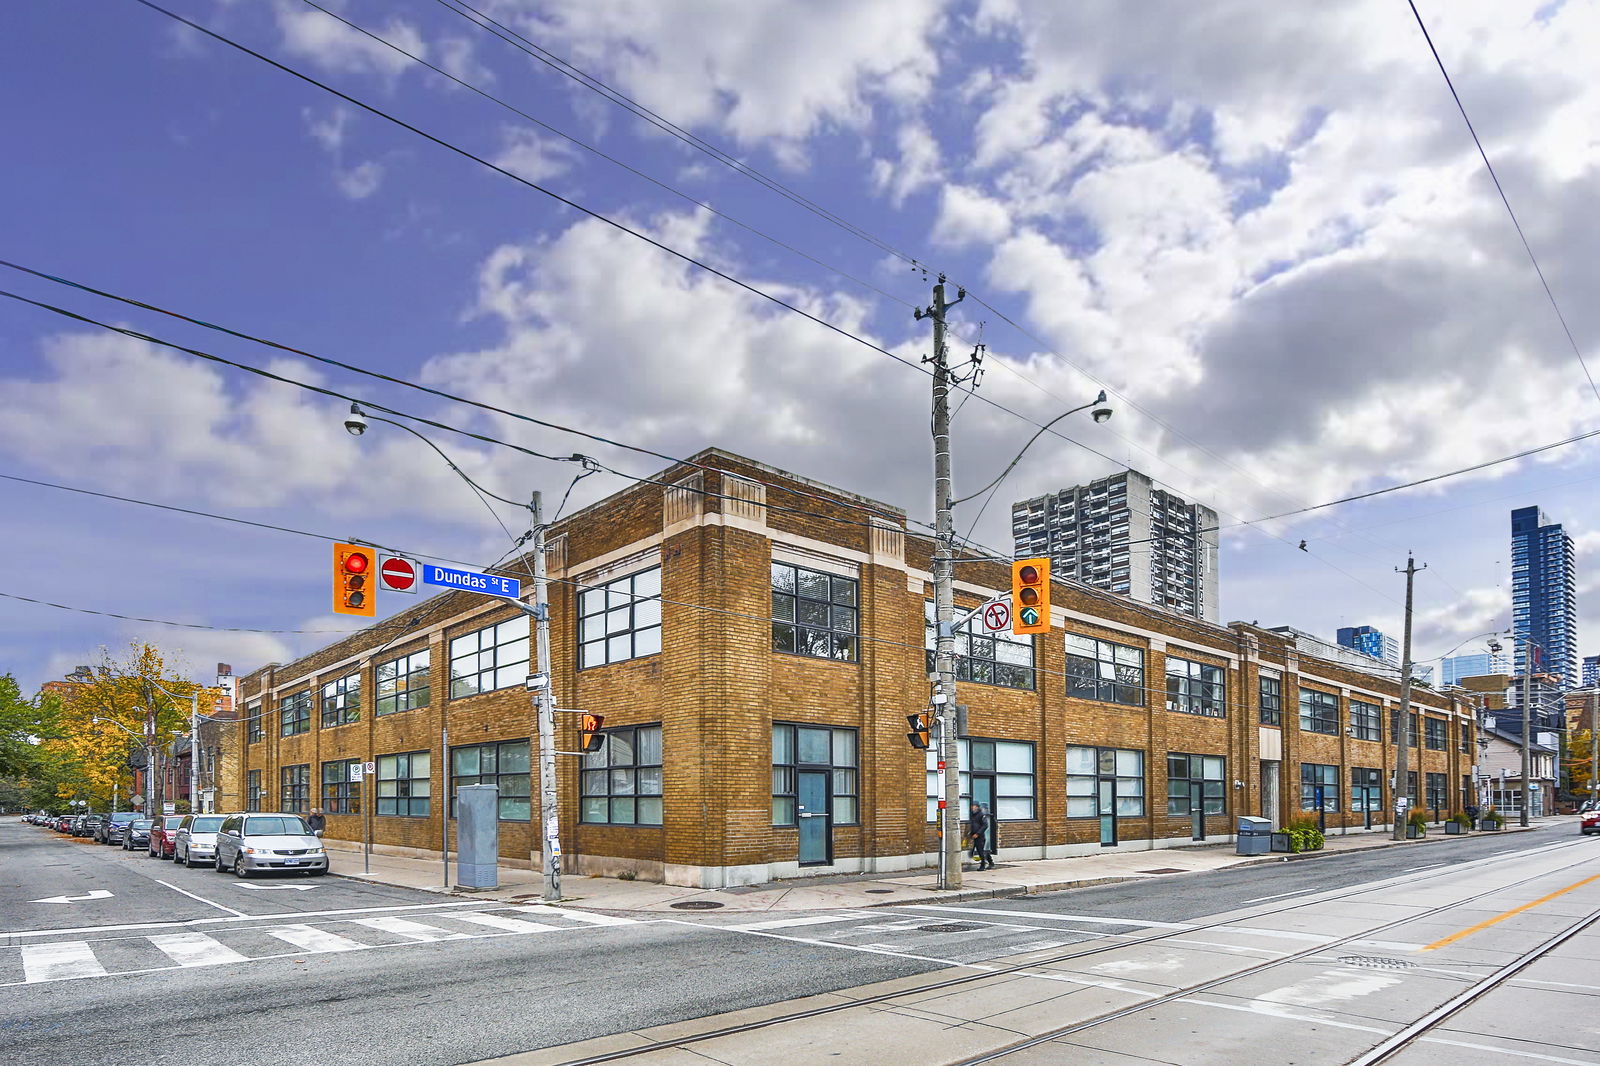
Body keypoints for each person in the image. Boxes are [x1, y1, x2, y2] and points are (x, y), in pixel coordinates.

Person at [969, 802, 993, 870]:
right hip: (973, 834)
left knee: (980, 850)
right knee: (981, 850)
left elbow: (985, 825)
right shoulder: (972, 815)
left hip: (980, 835)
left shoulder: (981, 815)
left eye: (973, 806)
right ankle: (990, 862)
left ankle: (983, 865)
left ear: (977, 807)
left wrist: (978, 833)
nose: (972, 807)